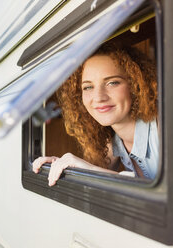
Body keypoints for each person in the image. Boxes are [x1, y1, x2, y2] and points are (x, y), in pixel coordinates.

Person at [32, 43, 158, 186]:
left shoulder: (164, 127)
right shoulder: (112, 142)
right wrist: (59, 164)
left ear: (136, 85)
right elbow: (90, 174)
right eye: (88, 87)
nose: (98, 97)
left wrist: (89, 168)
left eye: (112, 83)